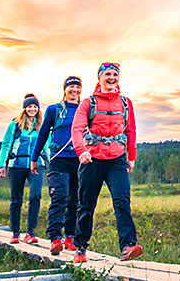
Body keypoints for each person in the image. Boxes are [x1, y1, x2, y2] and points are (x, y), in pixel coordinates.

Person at [70, 62, 143, 263]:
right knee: (86, 205)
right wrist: (81, 151)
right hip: (91, 159)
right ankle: (81, 247)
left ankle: (128, 246)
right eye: (107, 74)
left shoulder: (126, 103)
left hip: (117, 159)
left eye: (115, 74)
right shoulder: (88, 103)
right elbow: (77, 128)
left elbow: (131, 131)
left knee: (122, 202)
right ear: (100, 78)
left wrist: (131, 157)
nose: (112, 78)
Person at [32, 75, 83, 255]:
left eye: (78, 88)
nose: (74, 91)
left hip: (79, 160)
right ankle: (54, 238)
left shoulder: (84, 109)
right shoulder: (54, 110)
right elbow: (43, 134)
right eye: (71, 87)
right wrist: (34, 158)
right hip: (58, 160)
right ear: (65, 89)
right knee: (59, 197)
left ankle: (70, 237)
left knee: (75, 200)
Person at [0, 93, 47, 244]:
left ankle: (30, 233)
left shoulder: (43, 125)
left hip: (37, 164)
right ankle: (15, 233)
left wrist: (54, 163)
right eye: (29, 106)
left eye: (35, 107)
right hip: (16, 164)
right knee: (16, 199)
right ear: (24, 109)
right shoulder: (15, 125)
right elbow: (6, 145)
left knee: (35, 196)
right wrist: (1, 164)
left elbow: (48, 145)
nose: (32, 109)